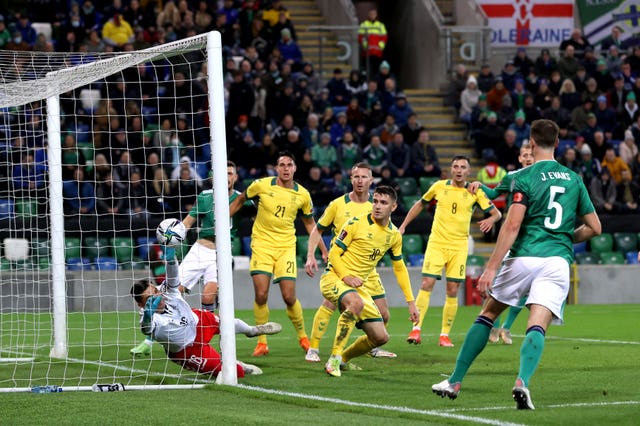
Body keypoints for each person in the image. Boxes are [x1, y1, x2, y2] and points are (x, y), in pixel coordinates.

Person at [432, 119, 601, 410]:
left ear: (532, 144)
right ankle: (522, 381)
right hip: (557, 261)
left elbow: (511, 225)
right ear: (558, 144)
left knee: (488, 314)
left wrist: (490, 268)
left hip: (524, 256)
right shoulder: (574, 179)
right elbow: (595, 227)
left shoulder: (523, 176)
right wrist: (565, 237)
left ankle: (455, 380)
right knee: (538, 324)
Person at [130, 162, 251, 356]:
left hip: (221, 253)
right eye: (223, 173)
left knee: (208, 296)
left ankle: (206, 337)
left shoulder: (242, 199)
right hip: (199, 249)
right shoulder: (205, 197)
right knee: (171, 291)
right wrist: (172, 237)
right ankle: (148, 341)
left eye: (230, 173)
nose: (226, 177)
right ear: (213, 177)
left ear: (235, 177)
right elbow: (187, 222)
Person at [130, 245, 283, 378]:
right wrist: (149, 315)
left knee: (229, 323)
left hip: (198, 321)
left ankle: (252, 330)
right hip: (188, 350)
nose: (156, 297)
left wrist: (171, 259)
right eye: (149, 298)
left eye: (155, 292)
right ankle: (237, 364)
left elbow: (173, 275)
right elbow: (146, 329)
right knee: (234, 374)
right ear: (141, 305)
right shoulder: (148, 316)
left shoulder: (167, 292)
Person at [229, 151, 324, 357]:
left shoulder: (303, 195)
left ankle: (303, 337)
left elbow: (310, 223)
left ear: (295, 168)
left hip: (286, 248)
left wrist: (322, 249)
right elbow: (241, 199)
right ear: (276, 168)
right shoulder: (261, 185)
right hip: (262, 246)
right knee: (261, 295)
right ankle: (262, 343)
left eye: (289, 165)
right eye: (282, 165)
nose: (286, 168)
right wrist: (224, 217)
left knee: (289, 297)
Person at [400, 156, 501, 347]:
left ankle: (444, 335)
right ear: (451, 169)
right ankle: (416, 329)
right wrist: (404, 225)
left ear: (468, 171)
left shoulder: (474, 191)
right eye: (456, 166)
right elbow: (420, 204)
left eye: (463, 167)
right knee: (427, 282)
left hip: (459, 246)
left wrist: (491, 220)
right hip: (437, 243)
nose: (459, 170)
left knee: (453, 289)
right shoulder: (439, 186)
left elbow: (497, 213)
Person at [321, 186, 419, 376]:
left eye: (383, 203)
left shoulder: (394, 235)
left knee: (380, 337)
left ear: (394, 206)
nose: (377, 206)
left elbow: (399, 268)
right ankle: (333, 358)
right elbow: (333, 253)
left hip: (358, 287)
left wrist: (411, 302)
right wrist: (346, 276)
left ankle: (343, 359)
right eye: (375, 201)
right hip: (333, 277)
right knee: (355, 304)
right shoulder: (355, 223)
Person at [304, 163, 397, 362]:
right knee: (330, 302)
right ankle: (314, 348)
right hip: (342, 264)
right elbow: (317, 229)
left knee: (384, 314)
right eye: (356, 177)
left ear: (371, 181)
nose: (360, 180)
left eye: (364, 177)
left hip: (368, 269)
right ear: (351, 179)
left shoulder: (376, 204)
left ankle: (370, 345)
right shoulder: (338, 204)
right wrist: (312, 254)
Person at [469, 142, 535, 344]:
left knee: (528, 289)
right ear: (519, 158)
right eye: (525, 155)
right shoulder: (512, 177)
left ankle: (506, 328)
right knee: (498, 284)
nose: (528, 158)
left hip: (533, 238)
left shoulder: (543, 176)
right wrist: (481, 187)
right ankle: (493, 326)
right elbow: (494, 194)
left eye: (531, 154)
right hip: (513, 237)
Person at [358, 8, 387, 78]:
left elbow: (384, 37)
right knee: (365, 70)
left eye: (374, 14)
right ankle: (365, 84)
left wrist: (380, 46)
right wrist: (365, 46)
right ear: (368, 15)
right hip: (367, 52)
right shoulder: (364, 24)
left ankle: (375, 84)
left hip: (377, 53)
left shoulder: (380, 25)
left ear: (376, 15)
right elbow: (360, 37)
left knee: (376, 71)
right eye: (371, 14)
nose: (372, 15)